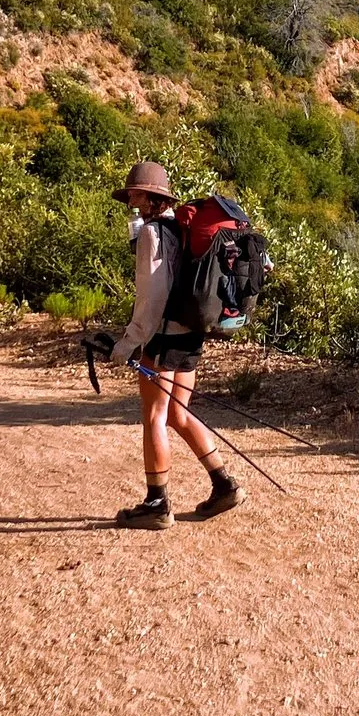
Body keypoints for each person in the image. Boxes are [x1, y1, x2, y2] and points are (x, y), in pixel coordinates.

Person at [99, 161, 243, 529]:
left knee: (155, 417)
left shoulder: (152, 235)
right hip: (192, 331)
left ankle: (156, 504)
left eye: (135, 192)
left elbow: (152, 296)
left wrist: (130, 342)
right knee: (179, 414)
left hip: (163, 337)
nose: (130, 197)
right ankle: (224, 484)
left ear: (151, 198)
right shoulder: (182, 228)